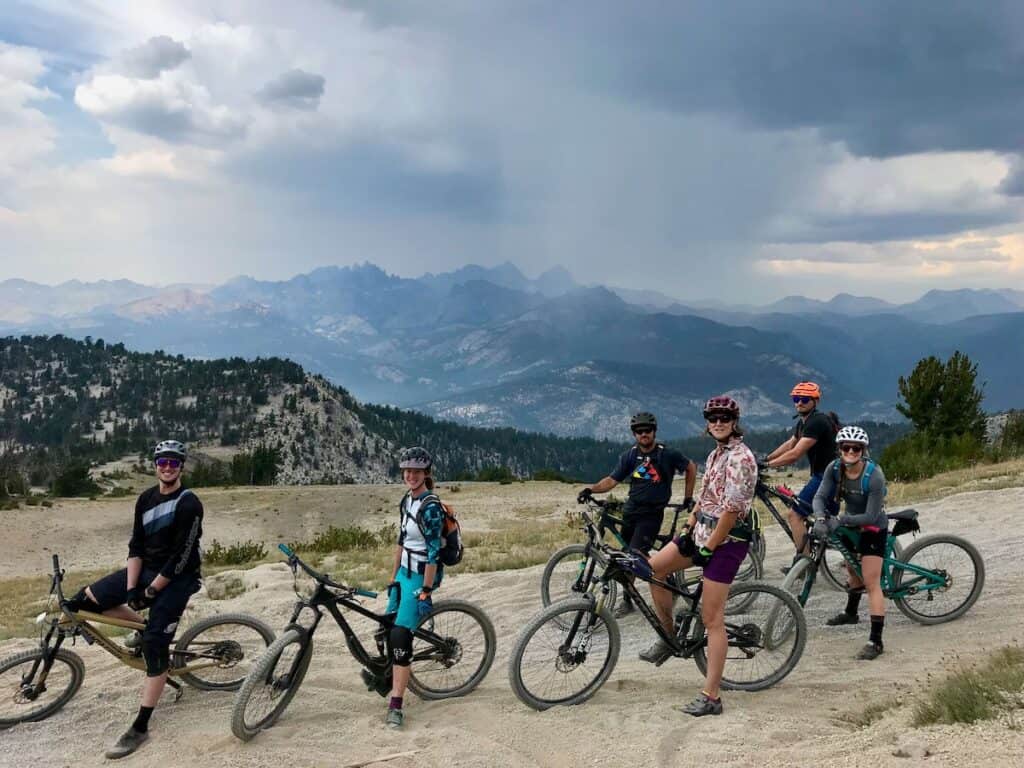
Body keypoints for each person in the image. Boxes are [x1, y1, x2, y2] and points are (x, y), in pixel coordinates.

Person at [64, 440, 203, 760]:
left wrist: (151, 592)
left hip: (179, 578)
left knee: (155, 646)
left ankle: (140, 726)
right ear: (155, 465)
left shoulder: (189, 503)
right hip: (146, 569)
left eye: (173, 463)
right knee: (84, 601)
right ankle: (145, 625)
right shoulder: (146, 499)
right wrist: (131, 591)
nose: (167, 468)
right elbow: (136, 547)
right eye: (162, 462)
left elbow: (180, 559)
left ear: (182, 466)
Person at [643, 396, 758, 716]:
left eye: (724, 418)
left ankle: (712, 696)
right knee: (654, 570)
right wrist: (689, 525)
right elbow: (706, 496)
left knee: (712, 620)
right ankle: (669, 637)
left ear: (734, 422)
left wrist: (708, 549)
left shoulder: (741, 459)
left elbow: (732, 512)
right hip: (701, 532)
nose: (718, 422)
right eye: (712, 418)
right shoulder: (716, 453)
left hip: (728, 541)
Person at [577, 411, 696, 617]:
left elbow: (691, 467)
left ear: (654, 431)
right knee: (626, 556)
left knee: (633, 556)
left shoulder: (666, 453)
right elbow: (612, 480)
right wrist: (591, 489)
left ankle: (664, 580)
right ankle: (628, 599)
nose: (644, 434)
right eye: (639, 431)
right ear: (634, 434)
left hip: (651, 514)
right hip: (631, 511)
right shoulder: (630, 456)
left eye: (647, 430)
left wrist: (688, 497)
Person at [812, 425, 888, 660]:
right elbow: (820, 497)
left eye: (856, 448)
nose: (851, 451)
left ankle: (876, 641)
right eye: (846, 447)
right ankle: (851, 613)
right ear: (840, 449)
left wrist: (841, 519)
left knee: (871, 581)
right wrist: (820, 518)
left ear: (863, 450)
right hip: (847, 524)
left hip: (872, 527)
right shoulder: (834, 468)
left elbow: (871, 516)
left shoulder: (874, 476)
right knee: (851, 571)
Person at [383, 446, 445, 729]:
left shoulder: (430, 508)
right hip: (404, 574)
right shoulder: (406, 501)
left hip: (421, 576)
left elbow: (433, 552)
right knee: (386, 625)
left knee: (399, 636)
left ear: (425, 474)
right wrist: (393, 577)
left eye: (416, 471)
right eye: (407, 471)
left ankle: (396, 704)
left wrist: (427, 590)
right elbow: (401, 541)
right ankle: (388, 676)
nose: (410, 475)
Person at [763, 381, 838, 564]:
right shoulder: (804, 422)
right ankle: (816, 546)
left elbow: (795, 454)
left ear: (815, 401)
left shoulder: (816, 422)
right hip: (825, 475)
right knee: (821, 515)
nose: (799, 403)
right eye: (796, 399)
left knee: (795, 514)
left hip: (827, 477)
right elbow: (790, 444)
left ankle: (804, 563)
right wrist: (765, 459)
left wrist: (768, 466)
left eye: (804, 399)